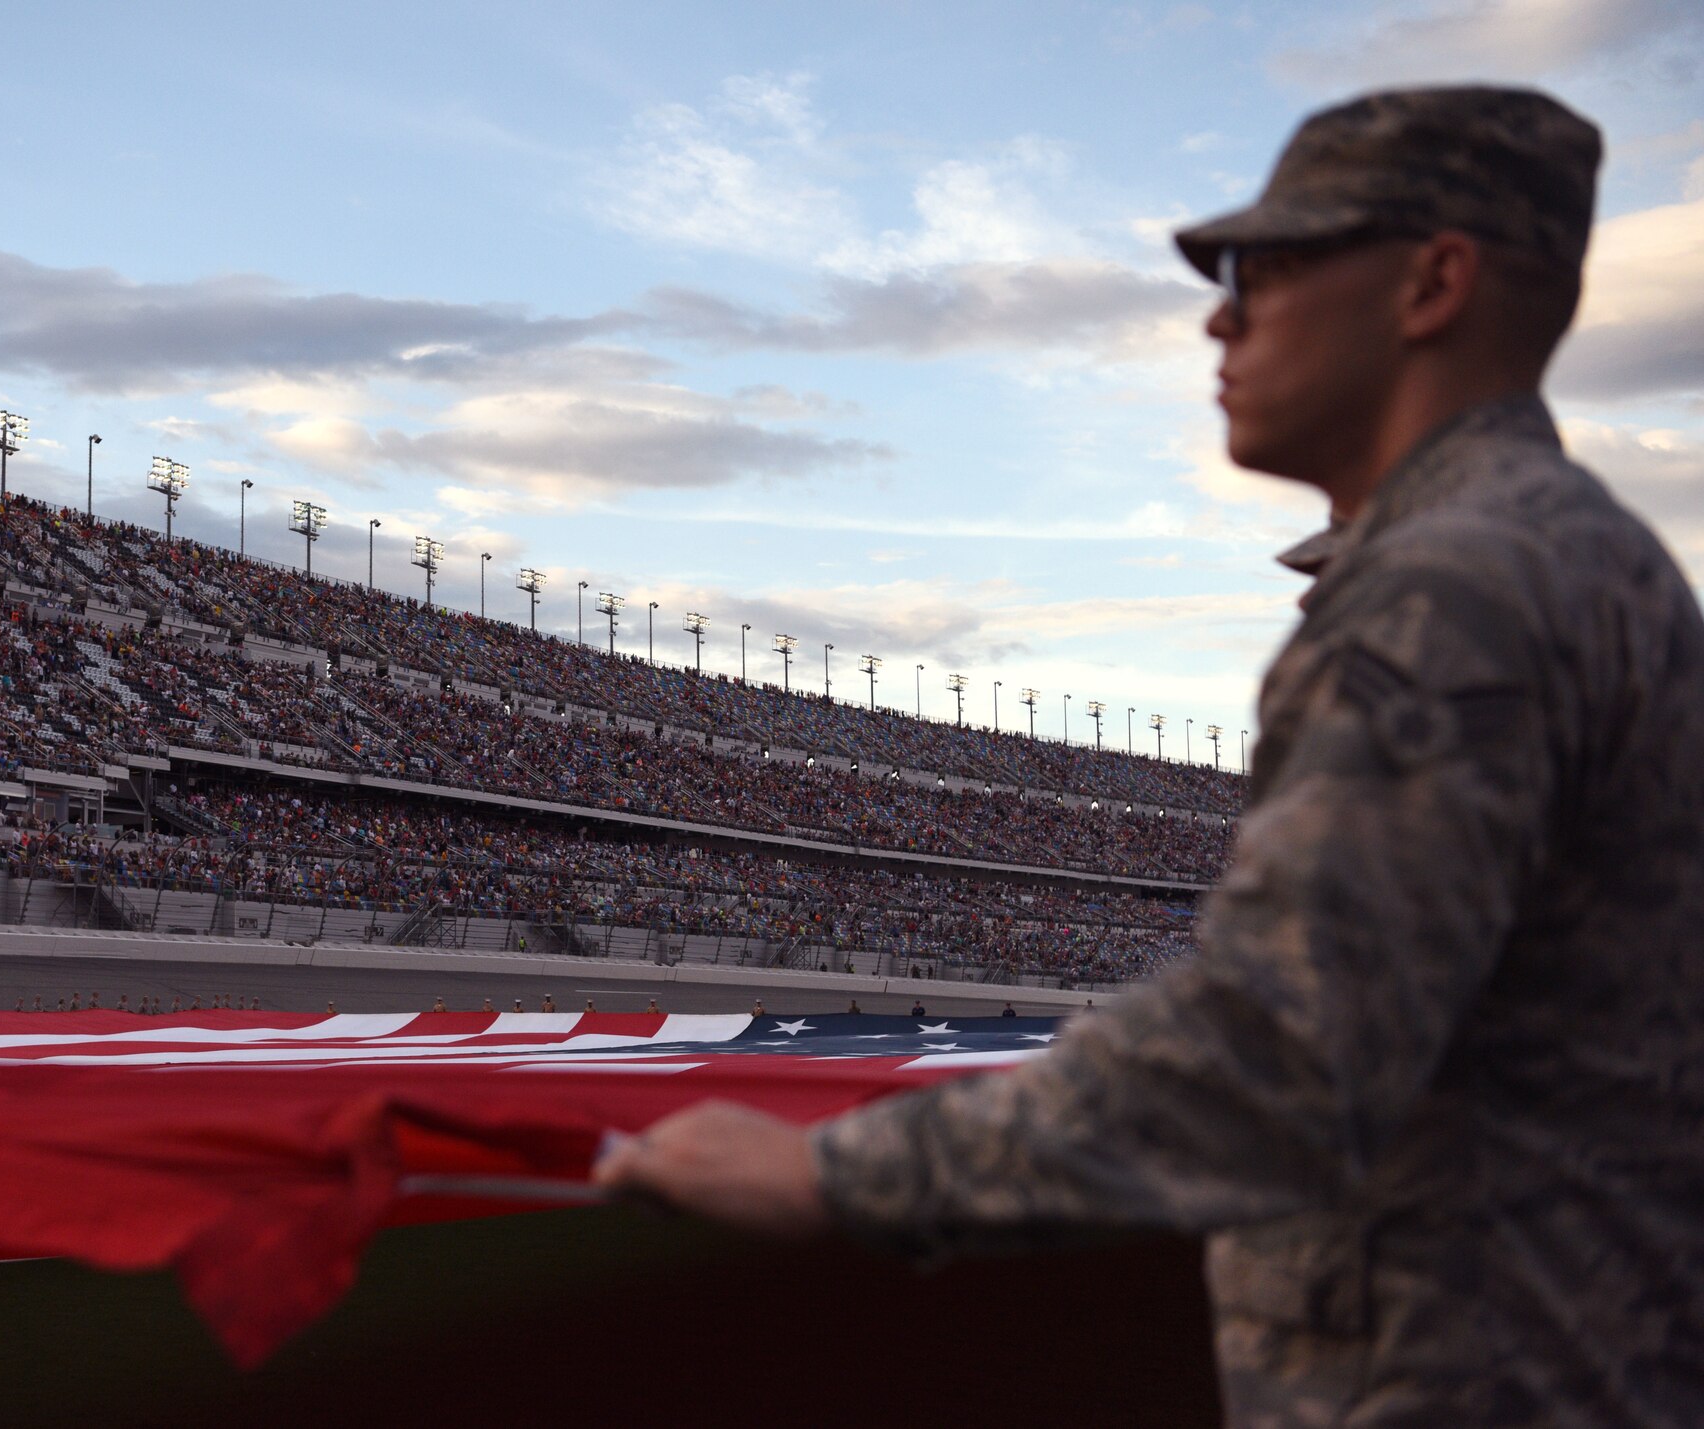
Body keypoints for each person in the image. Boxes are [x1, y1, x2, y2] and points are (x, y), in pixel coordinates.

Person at [595, 87, 1704, 1426]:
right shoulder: (1593, 560)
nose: (1218, 318)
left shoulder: (1449, 591)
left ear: (1433, 282)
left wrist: (827, 1173)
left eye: (1265, 270)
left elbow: (1271, 1054)